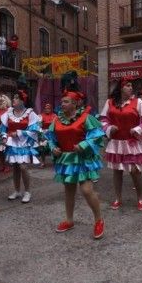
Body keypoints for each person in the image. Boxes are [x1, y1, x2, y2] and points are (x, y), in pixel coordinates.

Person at [47, 91, 105, 238]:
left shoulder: (86, 118)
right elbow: (51, 138)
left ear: (75, 103)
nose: (62, 104)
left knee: (86, 190)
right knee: (69, 190)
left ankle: (99, 220)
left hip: (83, 159)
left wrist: (84, 144)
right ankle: (69, 220)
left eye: (66, 101)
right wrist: (53, 148)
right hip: (66, 159)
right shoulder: (57, 119)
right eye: (62, 101)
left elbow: (97, 136)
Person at [99, 78, 142, 211]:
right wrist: (109, 127)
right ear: (121, 88)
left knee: (135, 171)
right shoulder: (109, 102)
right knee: (117, 171)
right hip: (116, 143)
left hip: (132, 143)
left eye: (132, 86)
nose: (131, 88)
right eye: (128, 85)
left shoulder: (138, 102)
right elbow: (103, 119)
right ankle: (118, 198)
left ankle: (140, 198)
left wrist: (138, 129)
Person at [0, 90, 41, 203]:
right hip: (12, 143)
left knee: (23, 167)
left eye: (17, 98)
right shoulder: (8, 113)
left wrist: (19, 133)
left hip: (24, 143)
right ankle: (17, 191)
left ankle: (27, 191)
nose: (14, 99)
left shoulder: (30, 113)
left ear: (23, 101)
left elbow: (34, 130)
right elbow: (3, 128)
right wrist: (4, 137)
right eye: (14, 97)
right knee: (16, 168)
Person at [38, 102, 57, 168]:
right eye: (46, 108)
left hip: (52, 133)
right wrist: (42, 131)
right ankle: (43, 162)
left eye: (48, 108)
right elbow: (39, 125)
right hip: (43, 133)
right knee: (42, 148)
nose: (47, 110)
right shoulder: (41, 115)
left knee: (53, 147)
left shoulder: (54, 116)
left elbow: (56, 125)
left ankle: (55, 161)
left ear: (51, 109)